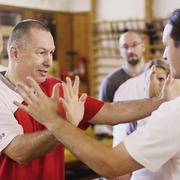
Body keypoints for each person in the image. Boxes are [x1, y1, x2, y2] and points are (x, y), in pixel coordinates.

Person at [13, 9, 180, 180]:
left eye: (166, 45)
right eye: (41, 53)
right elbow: (18, 153)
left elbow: (111, 162)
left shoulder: (175, 113)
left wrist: (55, 121)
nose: (164, 55)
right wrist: (160, 101)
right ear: (15, 53)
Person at [112, 59, 170, 180]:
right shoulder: (134, 117)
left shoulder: (174, 114)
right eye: (151, 78)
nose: (156, 83)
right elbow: (121, 166)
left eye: (160, 79)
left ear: (168, 81)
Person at [95, 30, 146, 136]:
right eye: (125, 46)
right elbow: (102, 115)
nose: (130, 50)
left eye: (135, 45)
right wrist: (121, 136)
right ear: (120, 50)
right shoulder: (111, 81)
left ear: (143, 46)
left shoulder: (156, 75)